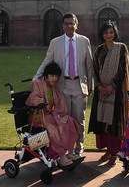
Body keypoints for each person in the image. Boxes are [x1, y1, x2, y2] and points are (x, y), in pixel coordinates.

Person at [33, 13, 93, 156]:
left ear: (76, 25)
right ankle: (68, 147)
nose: (69, 26)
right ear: (62, 26)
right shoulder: (56, 42)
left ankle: (79, 146)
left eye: (72, 23)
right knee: (64, 119)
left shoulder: (84, 41)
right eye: (66, 23)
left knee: (79, 117)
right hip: (62, 86)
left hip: (80, 84)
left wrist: (90, 85)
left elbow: (89, 65)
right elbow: (47, 61)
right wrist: (36, 78)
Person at [88, 21, 129, 167]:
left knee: (114, 122)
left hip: (116, 91)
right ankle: (108, 151)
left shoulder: (121, 48)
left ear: (115, 33)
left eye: (111, 32)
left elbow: (122, 69)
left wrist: (111, 87)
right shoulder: (99, 50)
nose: (108, 35)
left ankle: (114, 153)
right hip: (101, 92)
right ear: (102, 34)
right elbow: (94, 68)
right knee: (102, 121)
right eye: (106, 32)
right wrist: (99, 86)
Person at [26, 62, 82, 167]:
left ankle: (68, 152)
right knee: (53, 129)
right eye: (52, 75)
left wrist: (59, 115)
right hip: (38, 117)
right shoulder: (37, 84)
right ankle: (61, 157)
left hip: (49, 115)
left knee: (69, 121)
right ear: (46, 75)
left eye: (56, 76)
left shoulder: (53, 88)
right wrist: (41, 101)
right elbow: (33, 99)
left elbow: (60, 103)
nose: (54, 78)